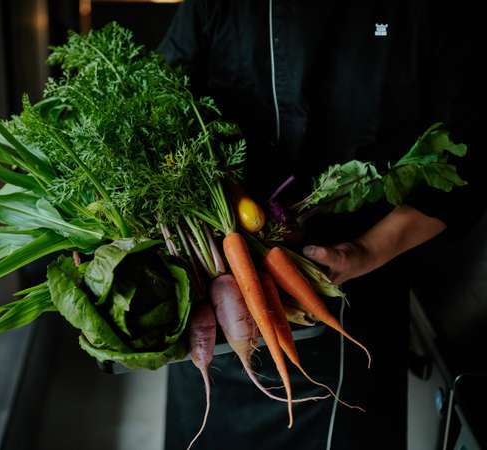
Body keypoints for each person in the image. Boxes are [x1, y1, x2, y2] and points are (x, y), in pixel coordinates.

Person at [158, 1, 477, 449]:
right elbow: (159, 105)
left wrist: (365, 251)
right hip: (221, 299)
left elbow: (465, 167)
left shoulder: (430, 14)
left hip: (353, 307)